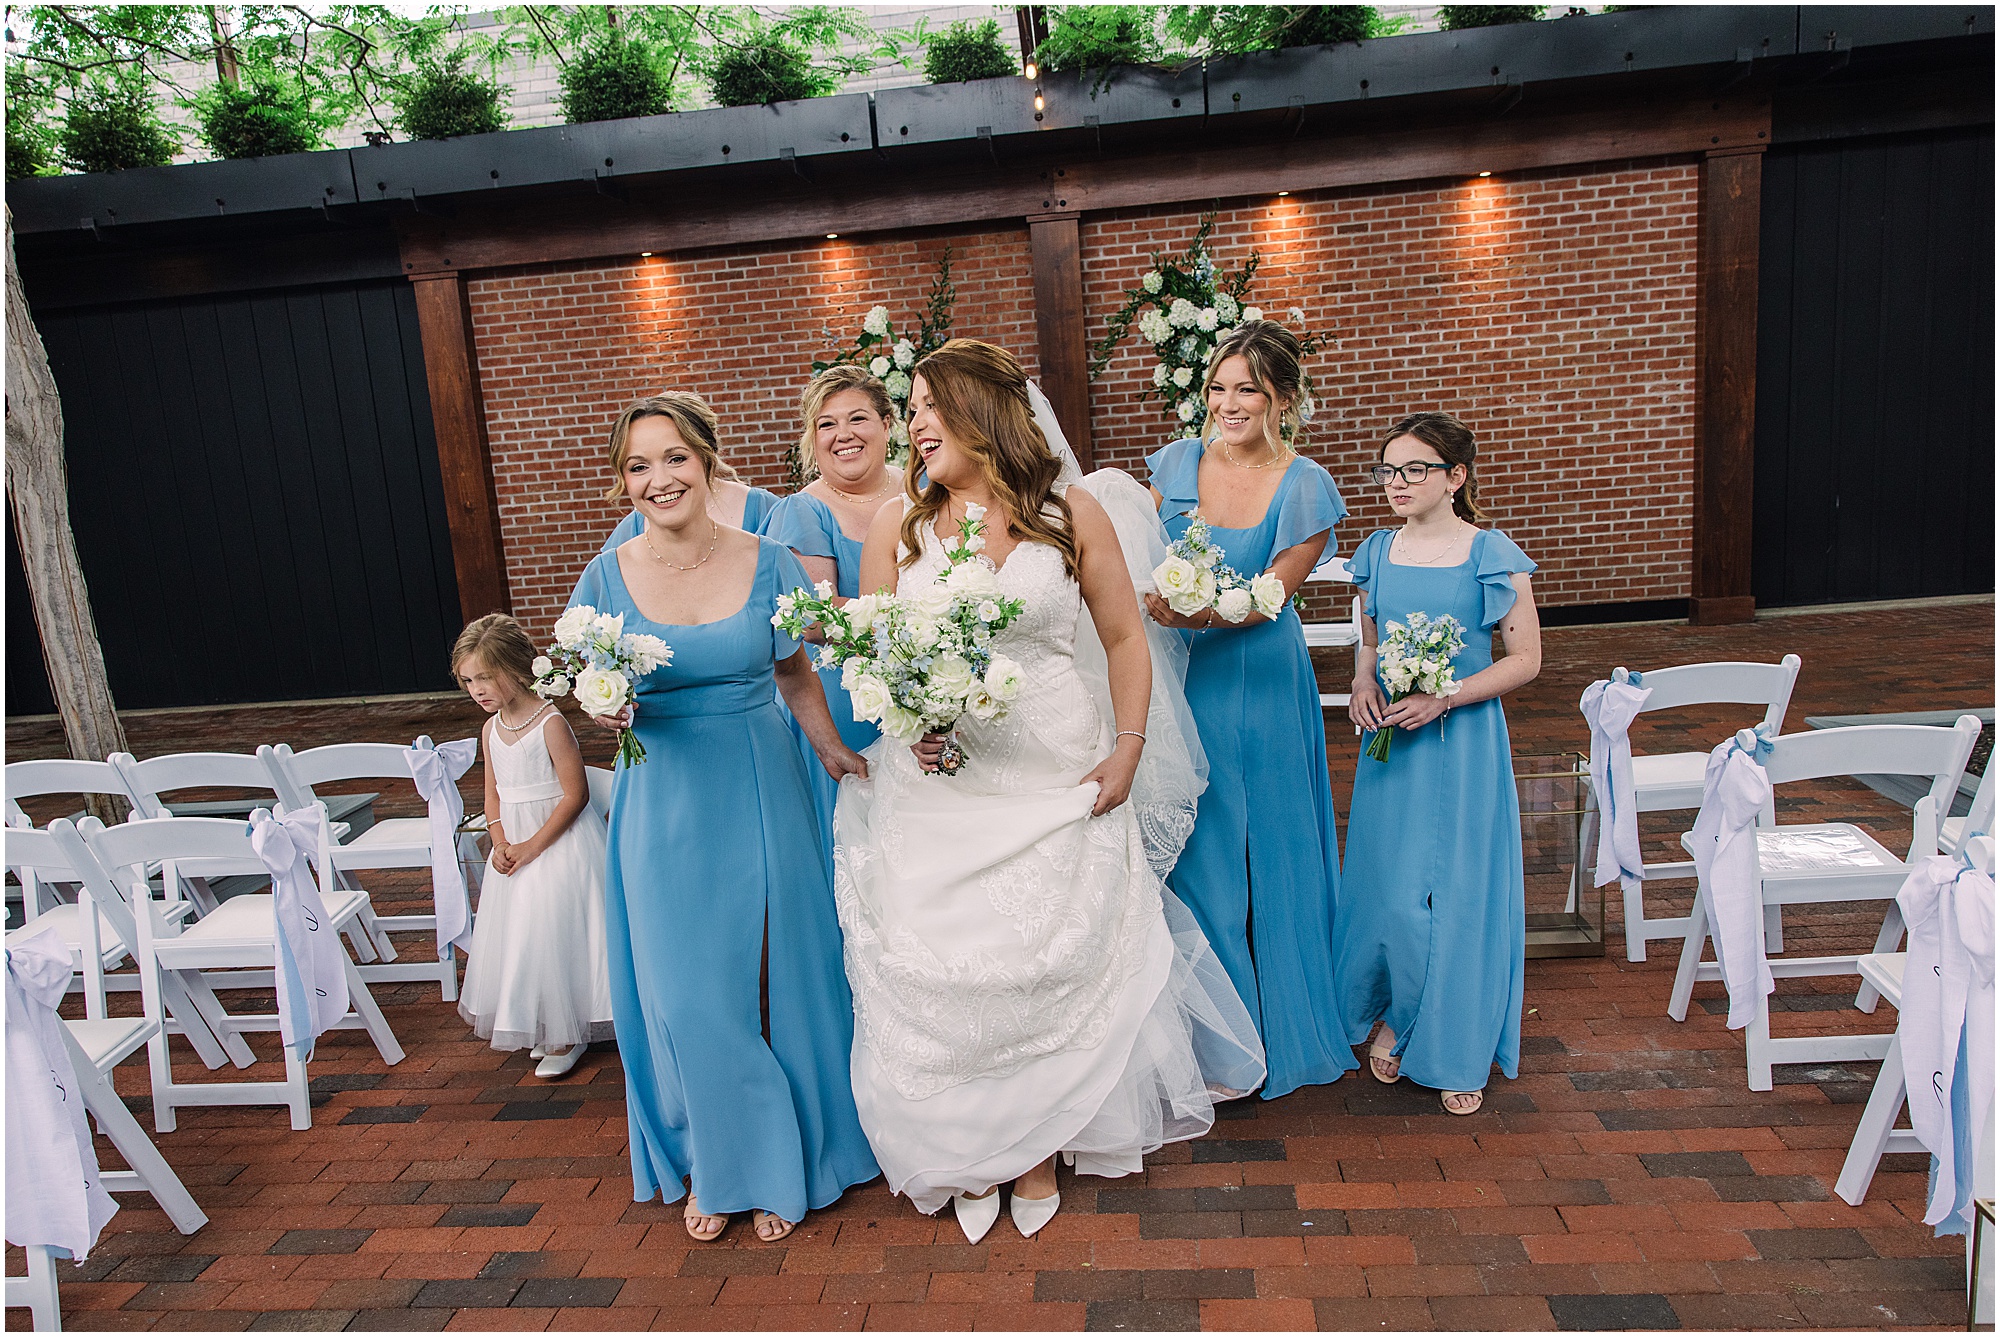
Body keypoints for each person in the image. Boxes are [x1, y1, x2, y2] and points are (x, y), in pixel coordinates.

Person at [834, 339, 1264, 1246]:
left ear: (983, 411)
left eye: (928, 405)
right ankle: (972, 1144)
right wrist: (915, 724)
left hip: (1055, 767)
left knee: (1041, 959)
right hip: (941, 782)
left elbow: (1124, 638)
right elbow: (874, 656)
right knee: (953, 964)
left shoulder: (1070, 512)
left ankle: (1037, 1144)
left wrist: (1130, 747)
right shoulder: (897, 527)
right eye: (910, 410)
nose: (914, 424)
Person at [569, 392, 879, 1243]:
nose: (659, 478)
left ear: (707, 460)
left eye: (674, 457)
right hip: (662, 796)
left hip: (761, 779)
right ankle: (721, 1157)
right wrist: (602, 704)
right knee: (687, 993)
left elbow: (796, 675)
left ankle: (786, 1158)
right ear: (624, 481)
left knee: (785, 980)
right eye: (638, 466)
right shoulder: (605, 577)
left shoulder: (769, 558)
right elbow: (588, 681)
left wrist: (834, 752)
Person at [1141, 321, 1356, 1099]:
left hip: (1261, 678)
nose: (1228, 404)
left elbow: (1271, 597)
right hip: (1183, 677)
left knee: (1273, 843)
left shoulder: (1305, 486)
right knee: (1201, 850)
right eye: (1219, 388)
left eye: (1248, 391)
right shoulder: (1174, 464)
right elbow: (1136, 552)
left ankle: (1285, 1026)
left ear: (1282, 399)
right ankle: (1217, 1046)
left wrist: (1190, 612)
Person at [1335, 411, 1541, 1116]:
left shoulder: (1492, 554)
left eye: (1415, 469)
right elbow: (1370, 640)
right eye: (1388, 470)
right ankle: (1398, 1014)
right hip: (1392, 743)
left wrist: (1446, 696)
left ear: (1455, 477)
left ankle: (1455, 1042)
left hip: (1464, 743)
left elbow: (1526, 659)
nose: (1397, 482)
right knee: (1390, 890)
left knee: (1457, 891)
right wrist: (1363, 682)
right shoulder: (1375, 551)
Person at [452, 614, 614, 1080]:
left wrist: (530, 848)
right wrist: (500, 842)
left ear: (515, 669)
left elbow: (575, 795)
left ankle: (569, 1032)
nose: (477, 690)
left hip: (558, 842)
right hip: (514, 845)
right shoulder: (491, 730)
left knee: (558, 929)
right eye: (468, 681)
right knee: (524, 935)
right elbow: (492, 795)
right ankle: (546, 1021)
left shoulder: (550, 722)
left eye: (486, 677)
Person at [764, 367, 902, 834]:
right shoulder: (804, 511)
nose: (843, 434)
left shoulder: (926, 489)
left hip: (932, 681)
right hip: (844, 699)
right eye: (827, 424)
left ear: (887, 424)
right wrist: (919, 618)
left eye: (857, 418)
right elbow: (814, 620)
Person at [599, 434, 778, 550]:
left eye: (677, 459)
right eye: (639, 467)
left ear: (708, 453)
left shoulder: (766, 508)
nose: (661, 482)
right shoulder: (629, 531)